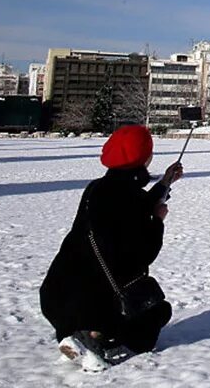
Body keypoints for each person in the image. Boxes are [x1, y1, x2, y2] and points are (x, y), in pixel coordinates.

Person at [40, 123, 184, 372]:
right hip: (98, 302)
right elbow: (141, 253)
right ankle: (98, 342)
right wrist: (158, 222)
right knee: (159, 311)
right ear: (144, 157)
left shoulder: (97, 188)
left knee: (89, 301)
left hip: (58, 294)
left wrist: (165, 182)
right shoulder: (129, 198)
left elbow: (133, 206)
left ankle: (75, 335)